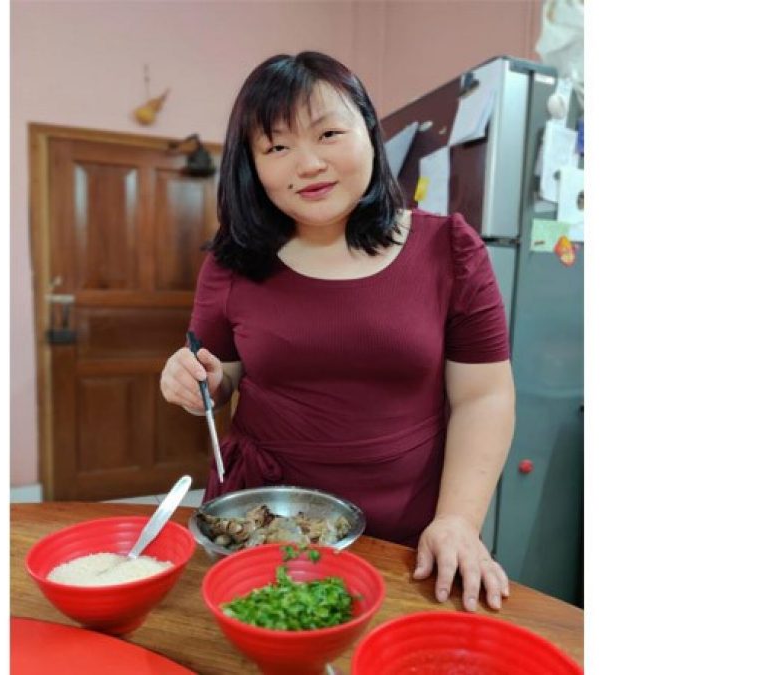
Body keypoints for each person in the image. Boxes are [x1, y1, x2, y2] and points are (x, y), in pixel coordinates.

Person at [159, 51, 515, 612]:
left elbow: (484, 396)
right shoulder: (232, 262)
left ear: (369, 132)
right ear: (252, 165)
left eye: (328, 134)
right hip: (262, 520)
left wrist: (458, 520)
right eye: (277, 147)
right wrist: (193, 380)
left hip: (411, 525)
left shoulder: (450, 250)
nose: (308, 164)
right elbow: (218, 375)